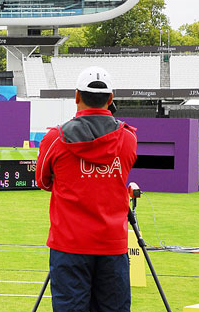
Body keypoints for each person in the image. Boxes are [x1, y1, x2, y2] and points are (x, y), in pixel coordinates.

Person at [35, 66, 138, 311]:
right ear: (110, 99)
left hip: (69, 245)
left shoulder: (55, 138)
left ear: (77, 96)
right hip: (112, 245)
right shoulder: (128, 138)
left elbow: (42, 181)